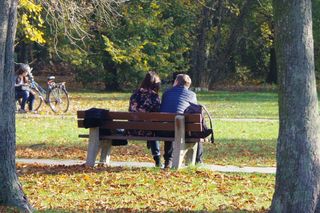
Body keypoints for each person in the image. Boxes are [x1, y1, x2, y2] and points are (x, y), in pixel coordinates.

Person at [160, 73, 202, 168]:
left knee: (170, 125)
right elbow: (194, 112)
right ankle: (199, 161)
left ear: (176, 82)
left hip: (164, 130)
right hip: (182, 131)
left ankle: (168, 161)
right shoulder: (192, 95)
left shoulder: (166, 93)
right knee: (197, 130)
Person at [129, 71, 162, 167]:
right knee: (153, 129)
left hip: (132, 129)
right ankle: (158, 160)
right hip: (149, 131)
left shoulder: (134, 94)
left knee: (150, 127)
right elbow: (157, 115)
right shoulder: (154, 96)